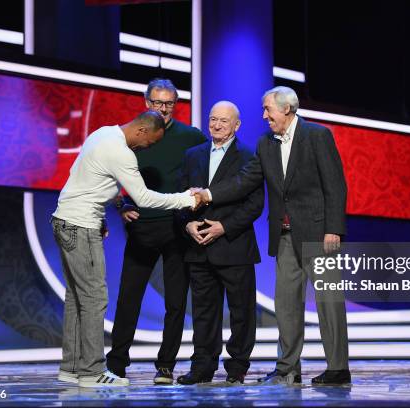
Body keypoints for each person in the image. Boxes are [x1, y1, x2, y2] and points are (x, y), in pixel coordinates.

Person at [194, 86, 351, 385]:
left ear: (287, 109)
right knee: (286, 304)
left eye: (268, 110)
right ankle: (288, 369)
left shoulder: (317, 136)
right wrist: (209, 194)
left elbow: (335, 185)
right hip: (285, 236)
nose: (264, 116)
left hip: (319, 234)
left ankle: (338, 367)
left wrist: (334, 229)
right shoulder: (266, 143)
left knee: (328, 302)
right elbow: (244, 181)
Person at [51, 111, 200, 388]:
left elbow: (85, 179)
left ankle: (71, 368)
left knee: (76, 298)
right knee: (95, 298)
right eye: (150, 143)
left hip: (65, 220)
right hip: (80, 227)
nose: (147, 148)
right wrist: (185, 199)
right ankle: (92, 372)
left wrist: (108, 211)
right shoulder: (122, 153)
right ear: (142, 131)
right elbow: (143, 197)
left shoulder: (102, 132)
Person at [106, 79, 207, 384]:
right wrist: (121, 204)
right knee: (128, 298)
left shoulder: (191, 136)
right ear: (146, 102)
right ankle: (116, 364)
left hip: (177, 228)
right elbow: (108, 173)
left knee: (175, 302)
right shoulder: (134, 134)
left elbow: (206, 173)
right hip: (141, 228)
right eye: (157, 103)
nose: (163, 109)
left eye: (169, 104)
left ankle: (165, 366)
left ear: (176, 104)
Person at [176, 101, 263, 385]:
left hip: (234, 245)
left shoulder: (250, 156)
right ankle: (202, 366)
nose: (216, 125)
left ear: (237, 125)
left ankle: (237, 366)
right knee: (203, 312)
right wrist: (186, 223)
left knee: (241, 312)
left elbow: (255, 205)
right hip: (198, 245)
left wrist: (224, 227)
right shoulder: (192, 155)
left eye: (223, 121)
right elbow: (179, 197)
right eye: (213, 119)